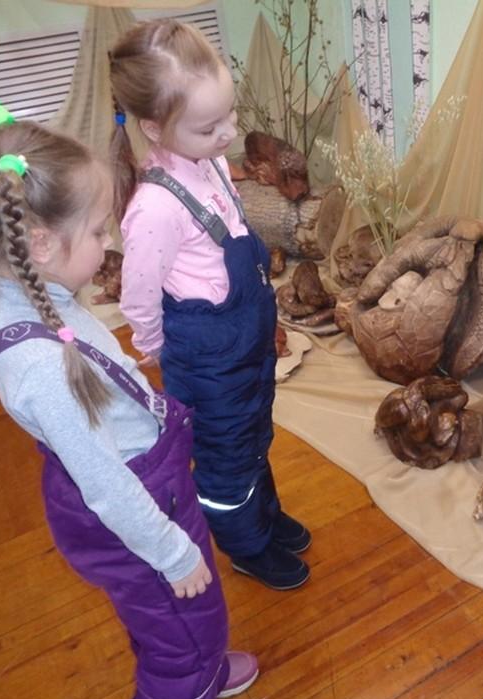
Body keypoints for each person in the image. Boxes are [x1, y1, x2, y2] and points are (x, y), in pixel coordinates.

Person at [0, 113, 256, 699]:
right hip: (136, 508)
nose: (108, 241)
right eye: (97, 231)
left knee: (179, 618)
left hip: (151, 489)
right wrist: (171, 554)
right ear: (41, 244)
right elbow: (107, 486)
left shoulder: (32, 287)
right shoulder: (40, 368)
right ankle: (187, 685)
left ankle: (205, 659)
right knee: (178, 634)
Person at [109, 19, 311, 590]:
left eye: (230, 114)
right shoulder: (154, 207)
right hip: (208, 364)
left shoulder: (213, 162)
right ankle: (245, 545)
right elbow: (138, 295)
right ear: (154, 127)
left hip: (247, 346)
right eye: (208, 127)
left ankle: (263, 516)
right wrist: (155, 348)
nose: (229, 133)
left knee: (253, 436)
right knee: (224, 460)